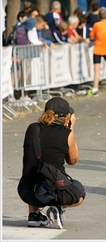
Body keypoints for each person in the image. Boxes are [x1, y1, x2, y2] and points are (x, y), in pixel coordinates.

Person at [17, 97, 86, 229]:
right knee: (80, 192)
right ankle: (56, 207)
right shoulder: (66, 133)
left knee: (35, 170)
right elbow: (73, 160)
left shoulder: (32, 128)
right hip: (54, 193)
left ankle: (34, 215)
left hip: (26, 192)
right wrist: (72, 129)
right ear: (67, 117)